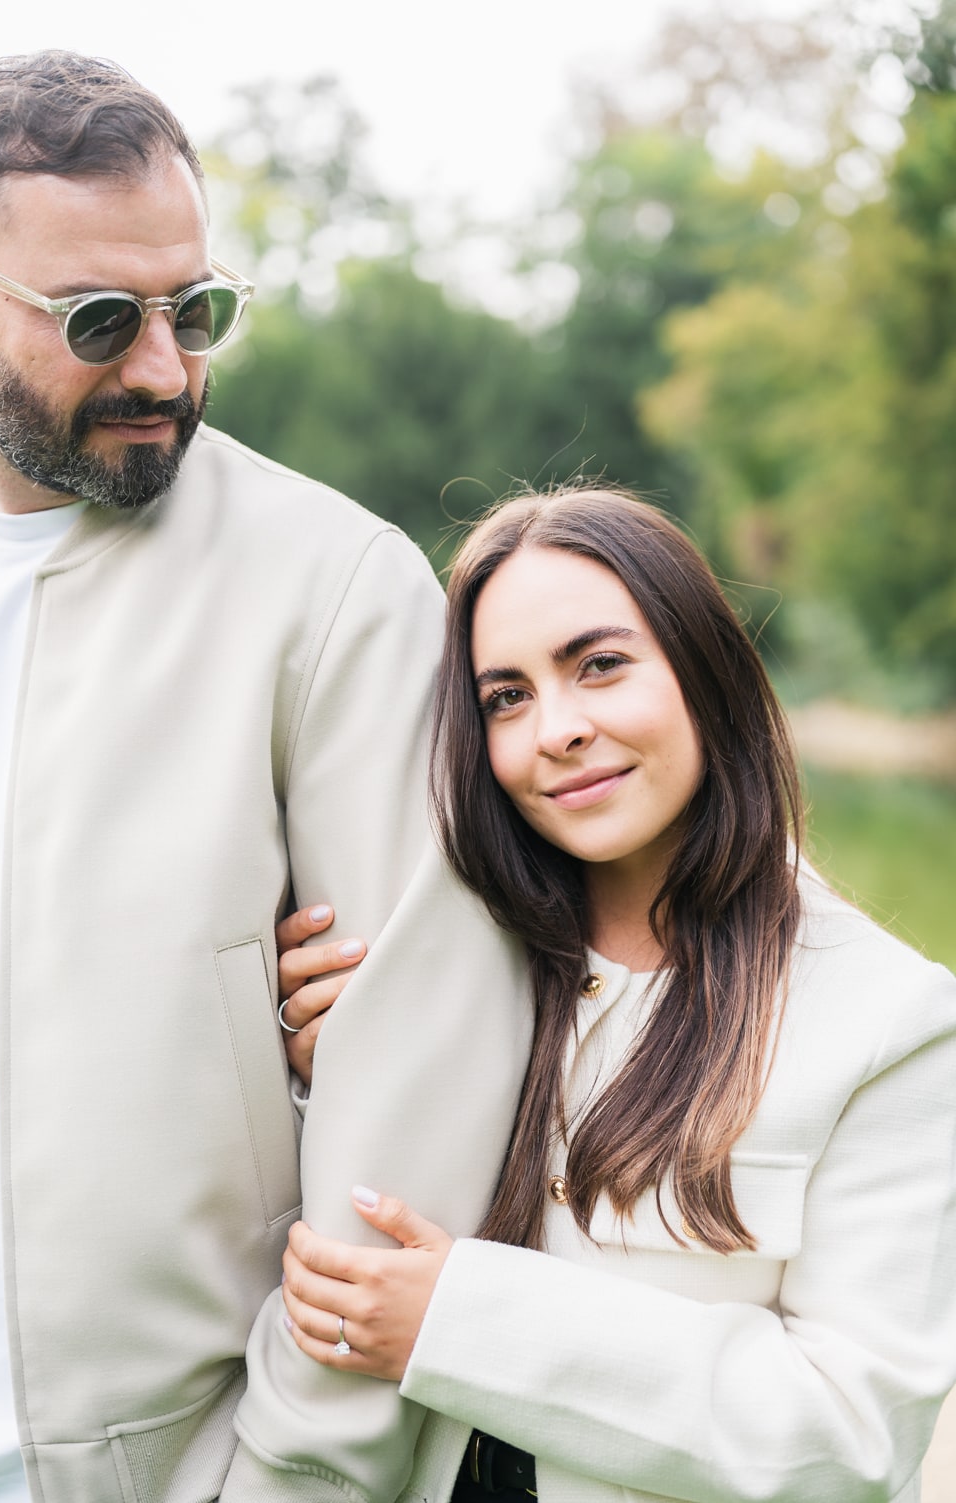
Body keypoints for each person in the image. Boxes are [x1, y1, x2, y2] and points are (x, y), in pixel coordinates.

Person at [0, 50, 533, 1503]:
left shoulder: (333, 587)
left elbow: (411, 1114)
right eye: (99, 319)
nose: (162, 365)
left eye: (193, 308)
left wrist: (296, 1480)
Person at [280, 486, 956, 1503]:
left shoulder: (889, 1022)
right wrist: (322, 1069)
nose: (555, 729)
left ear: (704, 671)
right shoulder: (449, 966)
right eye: (504, 696)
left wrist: (462, 1326)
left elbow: (854, 1438)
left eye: (598, 666)